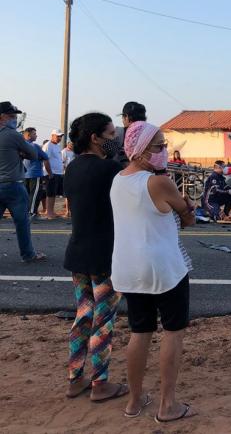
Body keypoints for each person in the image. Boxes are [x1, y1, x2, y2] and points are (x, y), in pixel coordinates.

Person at [110, 121, 196, 422]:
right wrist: (188, 206)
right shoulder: (158, 183)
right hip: (163, 269)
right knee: (173, 333)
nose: (164, 152)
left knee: (140, 331)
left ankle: (134, 401)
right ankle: (167, 405)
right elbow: (188, 219)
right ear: (141, 151)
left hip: (129, 268)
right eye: (159, 147)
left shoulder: (118, 180)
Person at [62, 112, 127, 402]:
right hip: (105, 255)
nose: (115, 140)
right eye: (111, 135)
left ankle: (75, 378)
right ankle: (101, 383)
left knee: (83, 315)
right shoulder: (109, 171)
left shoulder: (72, 168)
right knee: (104, 320)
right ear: (95, 137)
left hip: (78, 252)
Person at [0, 101, 46, 262]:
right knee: (22, 222)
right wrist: (20, 153)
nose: (14, 119)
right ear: (2, 117)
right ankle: (28, 254)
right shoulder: (13, 135)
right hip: (13, 185)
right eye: (11, 116)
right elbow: (33, 154)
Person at [22, 127, 51, 217]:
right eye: (34, 134)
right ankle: (32, 212)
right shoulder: (34, 146)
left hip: (24, 175)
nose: (36, 135)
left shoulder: (20, 146)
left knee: (26, 194)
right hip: (35, 174)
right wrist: (50, 173)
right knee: (34, 194)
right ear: (28, 135)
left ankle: (26, 212)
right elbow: (45, 157)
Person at [114, 101, 147, 166]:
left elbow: (107, 155)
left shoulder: (117, 133)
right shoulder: (150, 134)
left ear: (126, 117)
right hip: (143, 173)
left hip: (119, 173)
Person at [43, 129, 65, 219]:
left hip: (58, 173)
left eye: (61, 136)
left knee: (54, 193)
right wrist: (50, 173)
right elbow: (45, 159)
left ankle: (51, 211)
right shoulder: (48, 145)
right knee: (50, 193)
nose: (59, 138)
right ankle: (49, 213)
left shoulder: (57, 146)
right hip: (51, 173)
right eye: (58, 136)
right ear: (52, 136)